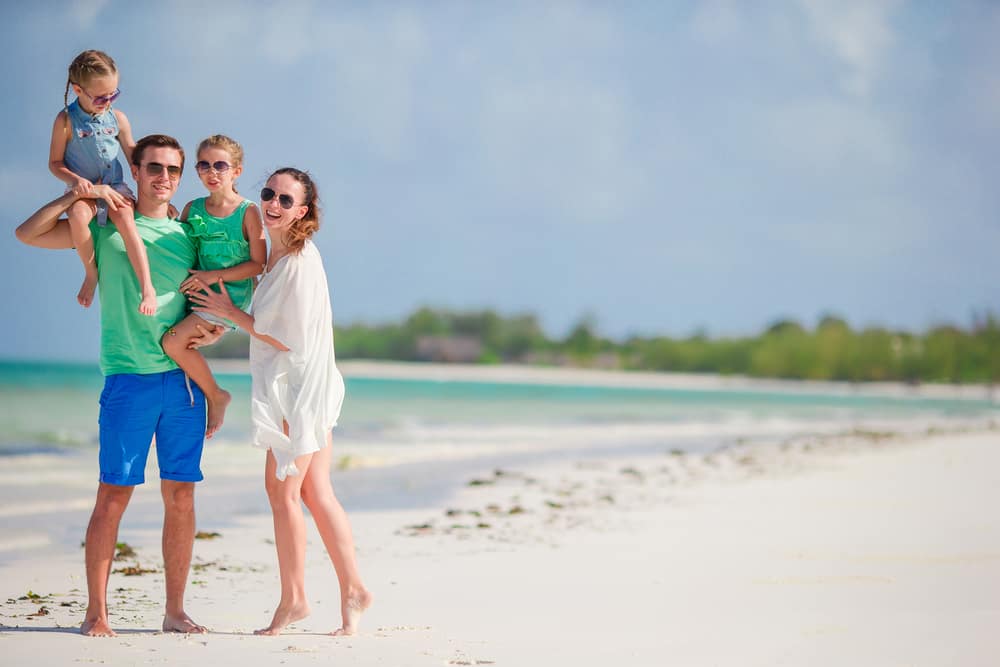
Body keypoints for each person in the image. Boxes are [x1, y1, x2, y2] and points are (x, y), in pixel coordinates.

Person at [15, 134, 222, 637]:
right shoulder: (104, 228)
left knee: (181, 496)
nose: (164, 178)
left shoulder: (189, 233)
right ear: (136, 169)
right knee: (112, 497)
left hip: (183, 383)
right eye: (154, 167)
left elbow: (219, 289)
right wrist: (78, 193)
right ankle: (96, 613)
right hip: (127, 380)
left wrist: (217, 329)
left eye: (173, 170)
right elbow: (28, 234)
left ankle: (175, 612)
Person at [189, 167, 372, 636]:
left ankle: (295, 600)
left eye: (285, 200)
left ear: (302, 211)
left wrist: (229, 312)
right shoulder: (281, 255)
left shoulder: (297, 262)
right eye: (268, 194)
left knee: (283, 493)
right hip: (310, 383)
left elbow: (286, 336)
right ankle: (353, 589)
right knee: (315, 492)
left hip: (297, 389)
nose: (272, 204)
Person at [162, 134, 266, 438]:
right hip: (198, 291)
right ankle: (174, 413)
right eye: (204, 165)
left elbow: (258, 264)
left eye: (220, 165)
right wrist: (168, 217)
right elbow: (181, 247)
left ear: (237, 171)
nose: (212, 172)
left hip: (227, 295)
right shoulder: (192, 209)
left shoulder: (248, 211)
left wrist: (211, 277)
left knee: (173, 343)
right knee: (172, 342)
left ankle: (216, 395)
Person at [49, 49, 156, 315]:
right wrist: (76, 181)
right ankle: (91, 273)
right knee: (77, 216)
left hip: (115, 186)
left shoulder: (117, 118)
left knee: (126, 221)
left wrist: (154, 194)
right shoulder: (65, 121)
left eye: (113, 95)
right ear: (78, 90)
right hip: (84, 191)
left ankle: (147, 287)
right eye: (100, 97)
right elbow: (55, 163)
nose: (107, 102)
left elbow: (134, 156)